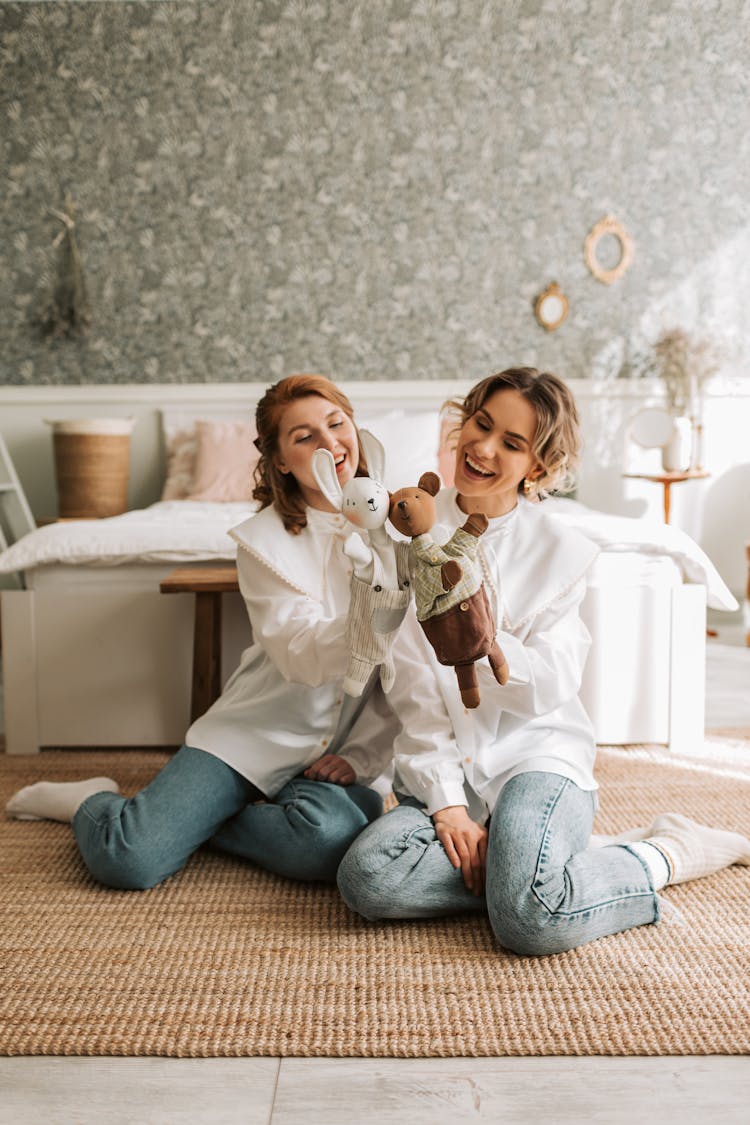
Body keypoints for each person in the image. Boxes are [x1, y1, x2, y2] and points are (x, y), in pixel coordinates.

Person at [337, 367, 750, 956]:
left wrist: (491, 649)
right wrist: (449, 807)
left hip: (537, 757)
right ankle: (536, 870)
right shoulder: (405, 538)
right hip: (447, 765)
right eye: (481, 425)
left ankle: (658, 854)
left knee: (532, 921)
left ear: (538, 467)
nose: (483, 448)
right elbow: (412, 691)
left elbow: (552, 685)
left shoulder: (564, 551)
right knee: (367, 879)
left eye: (512, 443)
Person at [6, 374, 402, 890]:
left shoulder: (403, 527)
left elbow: (415, 663)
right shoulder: (262, 541)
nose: (329, 443)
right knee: (128, 859)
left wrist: (363, 755)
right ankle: (99, 802)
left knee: (328, 844)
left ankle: (189, 821)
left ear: (356, 427)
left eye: (336, 423)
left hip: (346, 751)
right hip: (255, 732)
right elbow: (298, 656)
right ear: (280, 459)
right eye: (304, 437)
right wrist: (375, 615)